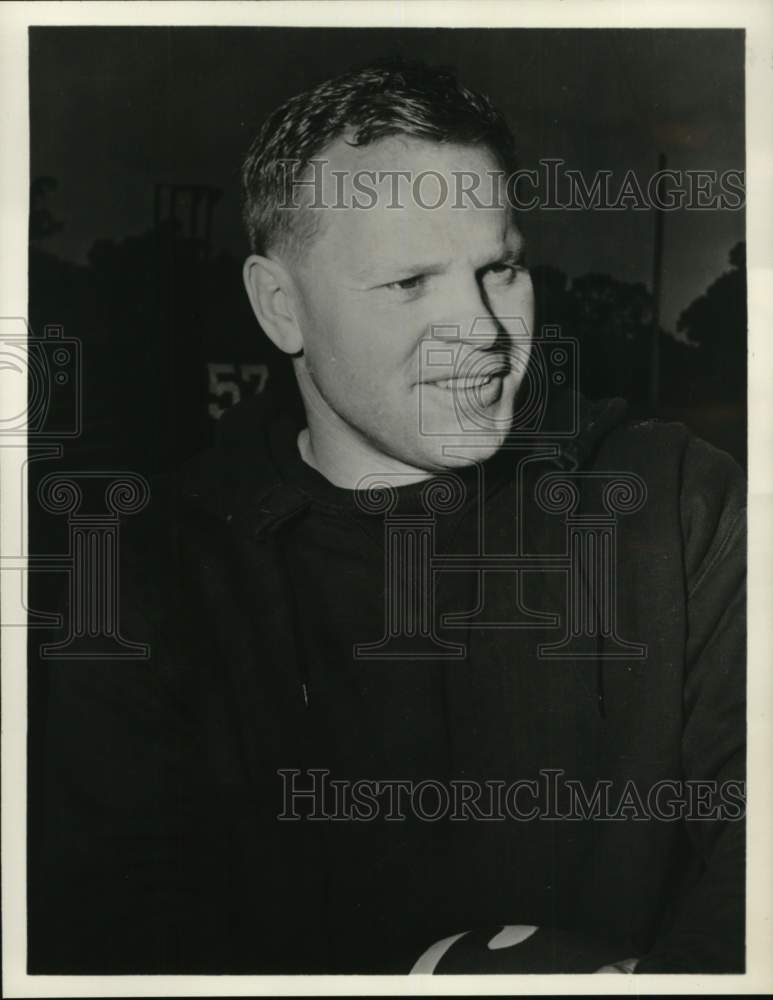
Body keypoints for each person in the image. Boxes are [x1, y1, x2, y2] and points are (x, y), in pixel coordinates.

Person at [29, 60, 745, 975]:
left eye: (500, 269)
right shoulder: (144, 577)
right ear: (278, 305)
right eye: (410, 282)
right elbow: (112, 934)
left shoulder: (673, 501)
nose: (480, 329)